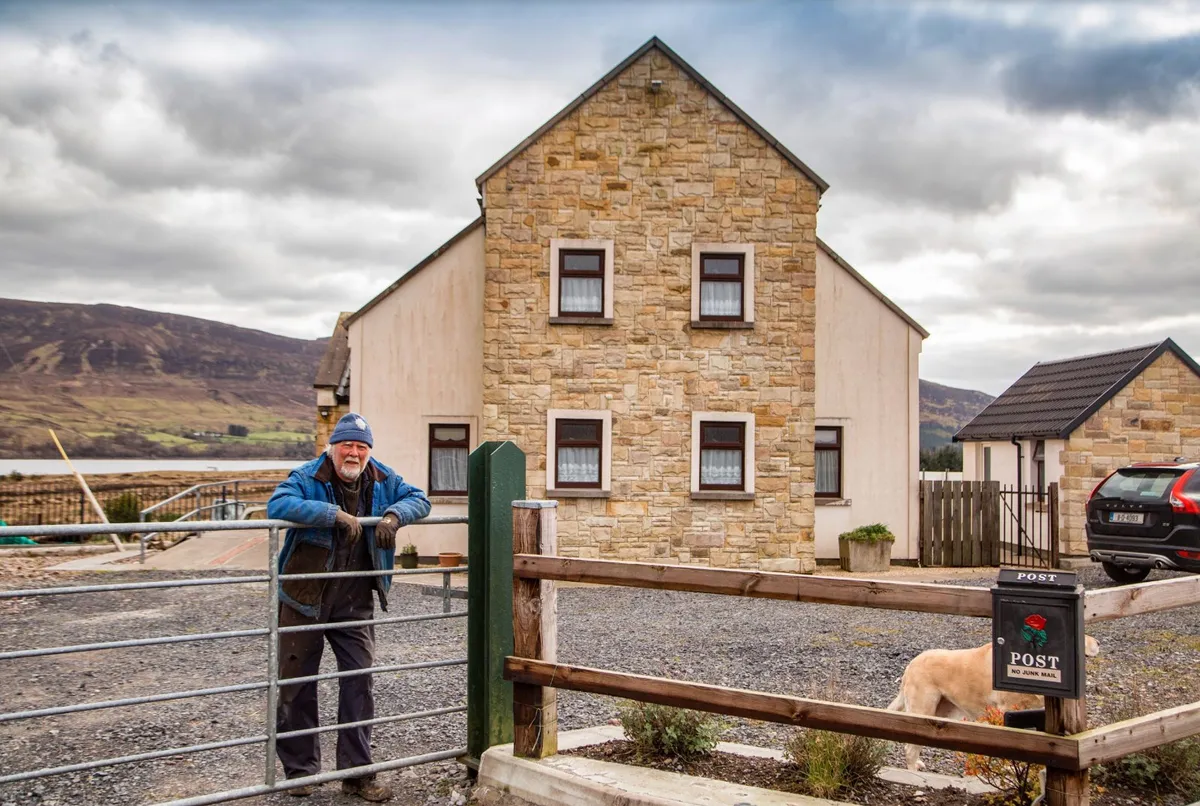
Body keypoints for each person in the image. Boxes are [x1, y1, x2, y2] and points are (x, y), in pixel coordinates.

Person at [267, 413, 431, 801]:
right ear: (333, 447)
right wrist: (331, 515)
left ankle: (357, 774)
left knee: (359, 681)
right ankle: (300, 772)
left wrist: (394, 515)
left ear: (368, 451)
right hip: (303, 596)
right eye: (347, 445)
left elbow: (419, 499)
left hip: (355, 599)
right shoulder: (309, 476)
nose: (353, 453)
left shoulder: (381, 477)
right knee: (296, 685)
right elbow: (278, 504)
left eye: (361, 446)